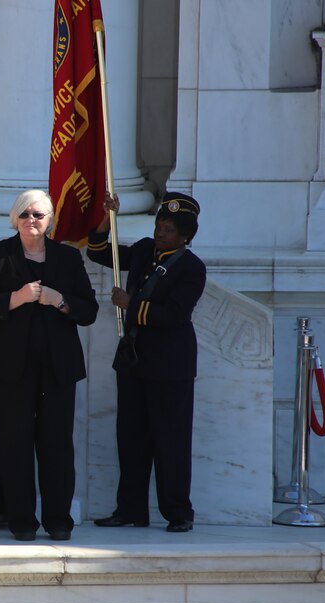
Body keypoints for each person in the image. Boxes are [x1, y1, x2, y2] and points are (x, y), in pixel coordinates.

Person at [0, 190, 98, 542]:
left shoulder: (68, 259)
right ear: (14, 219)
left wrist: (61, 302)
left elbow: (89, 311)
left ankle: (59, 521)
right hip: (9, 369)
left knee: (57, 445)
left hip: (57, 369)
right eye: (24, 214)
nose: (31, 220)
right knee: (15, 445)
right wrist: (17, 298)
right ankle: (22, 522)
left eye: (38, 214)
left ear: (50, 218)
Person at [87, 191, 206, 533]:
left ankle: (178, 512)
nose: (160, 233)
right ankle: (130, 510)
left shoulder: (191, 268)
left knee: (171, 439)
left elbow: (176, 314)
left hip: (171, 366)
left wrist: (131, 303)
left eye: (169, 229)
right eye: (159, 226)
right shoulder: (142, 251)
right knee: (131, 438)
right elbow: (98, 253)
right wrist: (106, 217)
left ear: (186, 236)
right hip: (134, 362)